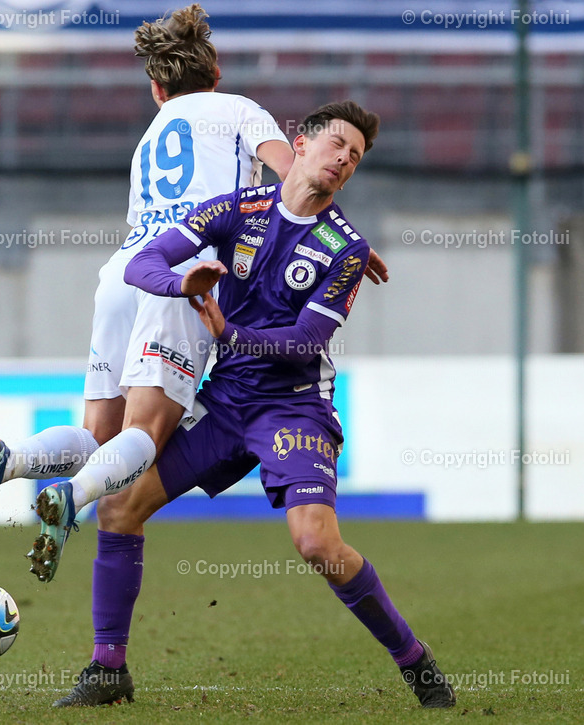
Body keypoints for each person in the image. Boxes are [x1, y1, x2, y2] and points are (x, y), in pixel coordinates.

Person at [0, 5, 388, 552]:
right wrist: (343, 240)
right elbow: (296, 184)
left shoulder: (151, 136)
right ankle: (70, 497)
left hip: (126, 269)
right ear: (216, 76)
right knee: (144, 435)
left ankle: (10, 460)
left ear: (156, 88)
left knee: (98, 435)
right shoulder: (241, 110)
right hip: (184, 275)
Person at [48, 100, 456, 710]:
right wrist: (180, 284)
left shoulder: (343, 247)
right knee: (119, 508)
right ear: (301, 142)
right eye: (337, 144)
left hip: (292, 406)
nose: (345, 159)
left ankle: (414, 662)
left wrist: (228, 335)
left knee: (317, 545)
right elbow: (143, 261)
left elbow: (306, 344)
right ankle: (109, 670)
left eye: (356, 156)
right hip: (228, 400)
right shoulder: (238, 210)